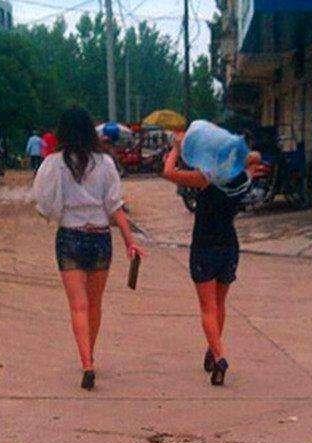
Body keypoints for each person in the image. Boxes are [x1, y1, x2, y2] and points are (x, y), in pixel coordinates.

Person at [31, 107, 145, 391]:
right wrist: (130, 241)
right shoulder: (105, 163)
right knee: (94, 305)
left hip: (70, 237)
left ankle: (86, 363)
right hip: (100, 238)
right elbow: (115, 206)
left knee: (78, 306)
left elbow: (43, 202)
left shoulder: (54, 163)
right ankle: (90, 354)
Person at [161, 132, 249, 386]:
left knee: (207, 307)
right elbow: (253, 158)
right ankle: (213, 348)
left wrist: (176, 149)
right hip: (229, 245)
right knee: (220, 303)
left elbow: (168, 172)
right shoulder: (241, 178)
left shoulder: (205, 179)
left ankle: (219, 357)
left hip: (205, 246)